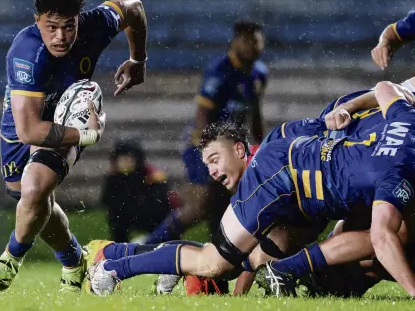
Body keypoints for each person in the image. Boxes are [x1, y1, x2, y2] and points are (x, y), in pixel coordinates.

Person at [87, 81, 415, 298]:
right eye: (210, 162)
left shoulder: (399, 118)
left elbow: (387, 89)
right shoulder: (397, 162)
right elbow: (381, 236)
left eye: (215, 160)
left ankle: (125, 255)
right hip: (289, 180)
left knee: (265, 249)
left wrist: (346, 109)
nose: (213, 172)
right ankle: (115, 265)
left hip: (306, 182)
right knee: (214, 262)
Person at [0, 0, 148, 293]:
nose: (61, 37)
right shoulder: (26, 52)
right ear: (37, 21)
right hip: (25, 121)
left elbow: (134, 8)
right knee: (30, 199)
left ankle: (10, 258)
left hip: (69, 115)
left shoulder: (96, 24)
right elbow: (29, 129)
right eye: (51, 27)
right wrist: (86, 136)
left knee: (36, 186)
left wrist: (138, 59)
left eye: (69, 26)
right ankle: (74, 259)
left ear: (78, 19)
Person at [142, 20, 268, 245]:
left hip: (230, 148)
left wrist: (264, 145)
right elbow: (202, 114)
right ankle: (150, 244)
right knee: (200, 205)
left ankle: (220, 252)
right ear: (236, 41)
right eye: (248, 41)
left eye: (257, 41)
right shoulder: (220, 70)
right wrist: (206, 150)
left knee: (224, 202)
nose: (253, 46)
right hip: (202, 143)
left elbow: (255, 112)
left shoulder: (259, 73)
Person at [101, 140, 177, 242]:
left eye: (129, 158)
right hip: (128, 214)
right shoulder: (113, 178)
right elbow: (106, 201)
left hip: (151, 214)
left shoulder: (152, 176)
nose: (125, 162)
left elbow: (162, 203)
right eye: (122, 158)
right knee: (116, 218)